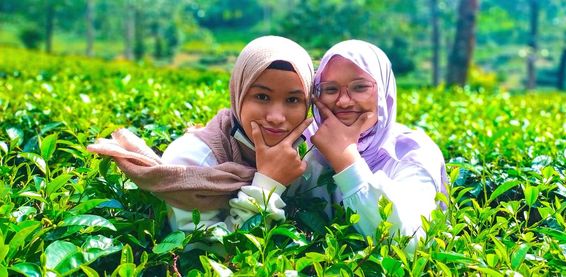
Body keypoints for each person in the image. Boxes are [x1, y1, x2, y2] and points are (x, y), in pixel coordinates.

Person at [87, 35, 314, 232]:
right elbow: (205, 256)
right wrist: (268, 183)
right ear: (238, 93)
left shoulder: (303, 156)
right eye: (262, 97)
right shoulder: (192, 160)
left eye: (293, 100)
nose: (276, 116)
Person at [250, 40, 448, 252]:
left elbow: (408, 244)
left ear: (383, 92)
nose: (343, 101)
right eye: (330, 89)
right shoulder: (303, 144)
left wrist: (346, 159)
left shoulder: (412, 152)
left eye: (360, 87)